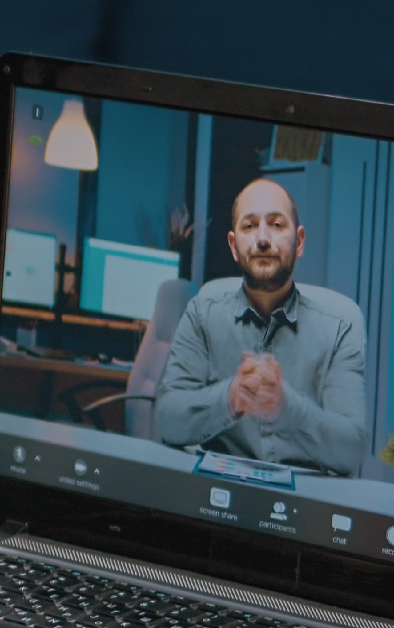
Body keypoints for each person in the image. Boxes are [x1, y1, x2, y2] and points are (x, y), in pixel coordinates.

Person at [153, 177, 369, 475]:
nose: (263, 239)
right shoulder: (203, 310)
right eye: (249, 225)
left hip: (304, 504)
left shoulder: (341, 325)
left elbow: (351, 449)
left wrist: (286, 407)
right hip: (217, 491)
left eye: (277, 225)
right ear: (233, 245)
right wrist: (231, 397)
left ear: (300, 241)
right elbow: (166, 419)